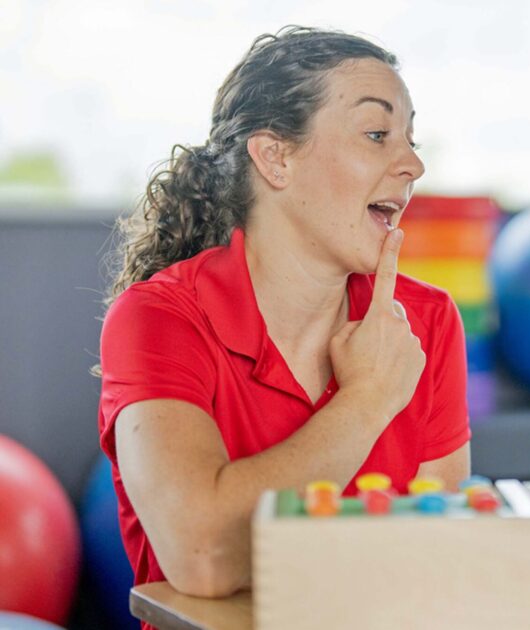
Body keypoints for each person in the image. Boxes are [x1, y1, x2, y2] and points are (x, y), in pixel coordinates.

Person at [96, 26, 471, 599]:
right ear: (275, 158)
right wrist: (367, 400)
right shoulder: (158, 317)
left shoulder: (426, 320)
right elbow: (206, 557)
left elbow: (435, 562)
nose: (412, 165)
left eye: (410, 139)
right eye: (377, 133)